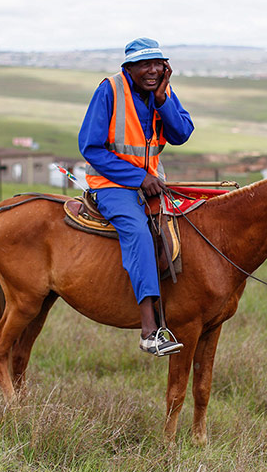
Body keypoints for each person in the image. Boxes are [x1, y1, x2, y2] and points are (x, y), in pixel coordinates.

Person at [78, 37, 194, 356]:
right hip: (112, 185)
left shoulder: (161, 93)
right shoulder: (109, 90)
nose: (153, 70)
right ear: (129, 68)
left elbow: (182, 134)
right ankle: (149, 330)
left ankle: (182, 308)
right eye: (145, 64)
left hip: (154, 183)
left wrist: (162, 100)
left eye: (158, 64)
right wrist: (139, 178)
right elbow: (90, 146)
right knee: (139, 233)